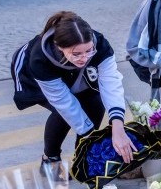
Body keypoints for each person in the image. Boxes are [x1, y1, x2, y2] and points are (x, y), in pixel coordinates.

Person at [11, 11, 130, 176]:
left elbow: (111, 84)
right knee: (63, 113)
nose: (84, 58)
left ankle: (84, 159)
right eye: (77, 54)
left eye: (89, 51)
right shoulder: (40, 58)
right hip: (33, 76)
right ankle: (50, 160)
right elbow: (64, 103)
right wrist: (93, 138)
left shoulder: (100, 44)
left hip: (74, 73)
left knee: (95, 101)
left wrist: (118, 126)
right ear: (60, 48)